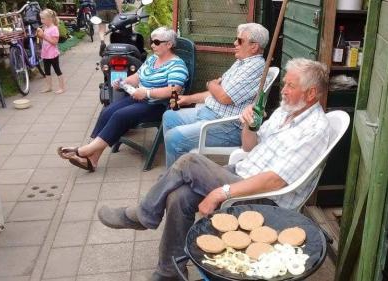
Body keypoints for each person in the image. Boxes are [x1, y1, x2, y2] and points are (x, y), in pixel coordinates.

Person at [97, 58, 330, 281]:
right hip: (243, 171)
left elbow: (276, 182)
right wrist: (249, 126)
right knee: (179, 196)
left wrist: (222, 192)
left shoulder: (314, 130)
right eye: (285, 83)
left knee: (189, 162)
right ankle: (169, 271)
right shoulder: (285, 112)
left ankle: (143, 214)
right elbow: (250, 147)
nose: (283, 90)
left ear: (311, 93)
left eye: (291, 85)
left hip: (266, 198)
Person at [57, 27, 188, 172]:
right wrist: (123, 82)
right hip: (139, 97)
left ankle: (82, 151)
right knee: (108, 110)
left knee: (120, 115)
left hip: (158, 105)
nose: (152, 45)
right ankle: (92, 159)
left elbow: (173, 90)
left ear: (169, 44)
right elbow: (138, 76)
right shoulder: (153, 59)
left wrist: (147, 93)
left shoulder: (177, 65)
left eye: (156, 42)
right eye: (151, 41)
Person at [162, 23, 268, 167]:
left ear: (254, 46)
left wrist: (211, 84)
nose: (235, 43)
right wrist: (189, 99)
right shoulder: (241, 63)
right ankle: (180, 170)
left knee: (174, 138)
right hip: (210, 112)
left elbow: (224, 97)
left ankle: (174, 179)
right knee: (169, 116)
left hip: (227, 125)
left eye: (240, 40)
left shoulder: (254, 67)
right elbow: (217, 94)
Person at [36, 9, 65, 94]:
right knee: (47, 71)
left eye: (43, 19)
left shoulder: (54, 29)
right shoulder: (45, 28)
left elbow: (54, 42)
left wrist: (43, 36)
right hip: (45, 53)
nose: (42, 21)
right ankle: (49, 86)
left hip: (52, 54)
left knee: (57, 70)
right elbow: (43, 39)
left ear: (50, 19)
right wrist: (39, 35)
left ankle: (62, 87)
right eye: (41, 19)